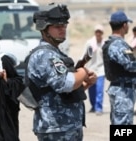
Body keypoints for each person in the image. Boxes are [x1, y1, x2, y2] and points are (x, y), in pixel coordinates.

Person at [27, 4, 97, 141]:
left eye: (64, 25)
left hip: (65, 127)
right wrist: (82, 71)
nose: (63, 29)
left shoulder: (55, 54)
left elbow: (63, 92)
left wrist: (85, 83)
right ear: (44, 29)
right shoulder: (44, 55)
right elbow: (65, 84)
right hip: (56, 128)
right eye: (57, 26)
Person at [102, 11, 136, 125]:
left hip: (121, 89)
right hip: (122, 92)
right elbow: (131, 65)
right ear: (124, 25)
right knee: (123, 126)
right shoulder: (118, 44)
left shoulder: (115, 43)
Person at [83, 24, 105, 115]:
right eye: (97, 31)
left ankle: (98, 107)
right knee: (91, 90)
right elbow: (84, 54)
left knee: (99, 90)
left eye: (100, 32)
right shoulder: (89, 43)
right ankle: (93, 106)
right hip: (91, 69)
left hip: (101, 70)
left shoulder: (104, 43)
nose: (98, 33)